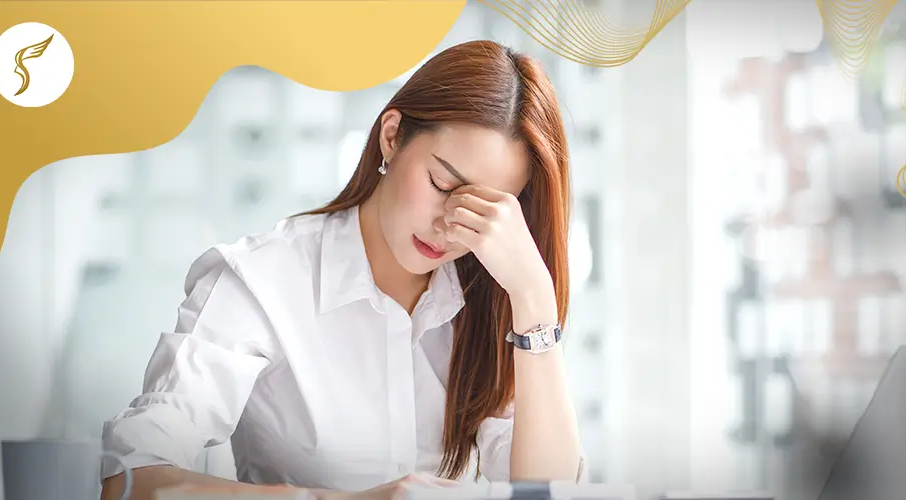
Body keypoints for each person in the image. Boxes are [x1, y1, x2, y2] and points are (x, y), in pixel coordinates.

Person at [99, 39, 586, 500]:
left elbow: (548, 493)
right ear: (392, 137)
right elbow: (130, 481)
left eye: (482, 212)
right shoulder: (262, 280)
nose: (448, 226)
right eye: (442, 184)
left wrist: (534, 298)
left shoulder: (492, 300)